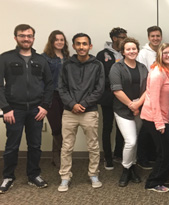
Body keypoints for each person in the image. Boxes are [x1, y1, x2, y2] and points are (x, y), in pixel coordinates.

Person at [0, 24, 53, 193]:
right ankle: (8, 176)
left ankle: (33, 175)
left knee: (35, 145)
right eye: (22, 35)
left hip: (36, 110)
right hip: (14, 110)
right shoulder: (5, 58)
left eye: (29, 36)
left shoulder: (41, 60)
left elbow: (50, 84)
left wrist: (45, 106)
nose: (26, 38)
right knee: (12, 146)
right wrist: (5, 108)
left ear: (33, 39)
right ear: (15, 37)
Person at [58, 33, 105, 192]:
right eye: (78, 44)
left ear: (90, 46)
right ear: (73, 46)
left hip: (89, 111)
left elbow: (100, 89)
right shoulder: (66, 64)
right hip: (69, 111)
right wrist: (72, 104)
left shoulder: (97, 65)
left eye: (84, 44)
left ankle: (93, 174)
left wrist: (83, 104)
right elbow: (61, 88)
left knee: (93, 145)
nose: (81, 47)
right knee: (66, 146)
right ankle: (65, 177)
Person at [109, 37, 148, 187]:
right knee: (130, 141)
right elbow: (116, 90)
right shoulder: (116, 68)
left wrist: (138, 104)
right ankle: (126, 169)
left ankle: (132, 167)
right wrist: (132, 105)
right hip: (122, 110)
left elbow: (147, 89)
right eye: (128, 49)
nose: (132, 51)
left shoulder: (143, 67)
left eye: (134, 49)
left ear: (137, 50)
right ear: (123, 52)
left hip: (139, 109)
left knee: (135, 139)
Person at [140, 43, 169, 193]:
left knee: (168, 150)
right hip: (154, 118)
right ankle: (153, 182)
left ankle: (162, 176)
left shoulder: (168, 71)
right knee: (165, 151)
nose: (168, 55)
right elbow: (153, 99)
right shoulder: (157, 73)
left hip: (164, 117)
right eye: (165, 52)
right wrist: (159, 123)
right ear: (160, 55)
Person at [96, 27, 127, 169]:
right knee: (107, 127)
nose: (125, 40)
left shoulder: (127, 53)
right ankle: (107, 158)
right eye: (122, 37)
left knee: (121, 128)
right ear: (114, 38)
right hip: (108, 96)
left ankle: (118, 154)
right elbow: (99, 77)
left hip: (123, 96)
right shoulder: (102, 55)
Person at [42, 30, 70, 168]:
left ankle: (56, 155)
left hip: (65, 95)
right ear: (51, 41)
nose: (59, 42)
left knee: (64, 126)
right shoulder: (45, 58)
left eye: (62, 40)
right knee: (56, 126)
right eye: (57, 39)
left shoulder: (67, 57)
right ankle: (59, 157)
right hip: (51, 95)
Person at [136, 26, 163, 169]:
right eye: (152, 36)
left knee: (154, 127)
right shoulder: (143, 53)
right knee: (145, 128)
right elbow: (142, 76)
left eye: (158, 36)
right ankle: (141, 158)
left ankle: (151, 156)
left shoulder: (162, 51)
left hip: (159, 95)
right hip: (147, 94)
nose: (155, 38)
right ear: (148, 37)